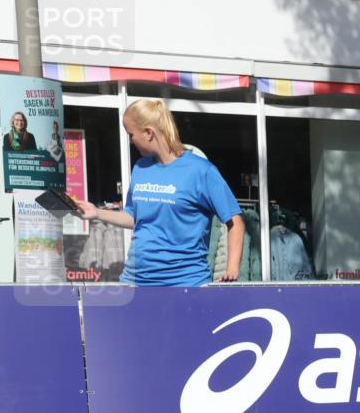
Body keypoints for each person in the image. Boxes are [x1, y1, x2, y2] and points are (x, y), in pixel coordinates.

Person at [75, 99, 244, 286]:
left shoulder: (201, 170)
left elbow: (235, 221)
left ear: (148, 133)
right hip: (135, 281)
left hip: (185, 284)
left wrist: (232, 270)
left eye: (131, 134)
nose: (131, 141)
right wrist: (96, 213)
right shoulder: (140, 168)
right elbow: (133, 216)